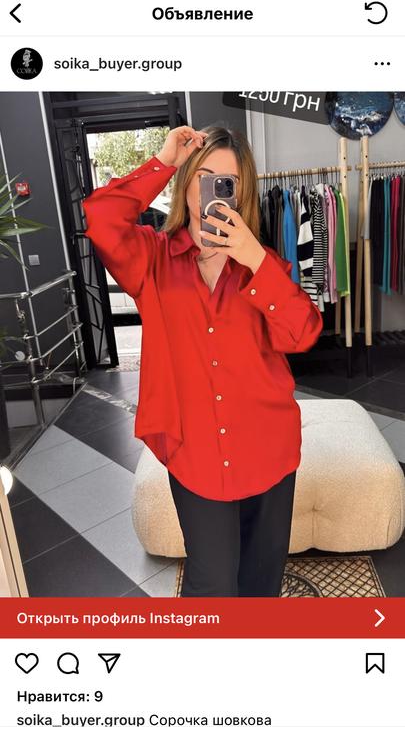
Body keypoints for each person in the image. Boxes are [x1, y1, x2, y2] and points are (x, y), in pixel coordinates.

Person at [82, 124, 324, 597]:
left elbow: (303, 334)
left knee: (261, 584)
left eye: (227, 181)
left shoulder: (263, 264)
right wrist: (163, 161)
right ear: (187, 180)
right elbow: (102, 216)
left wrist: (255, 260)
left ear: (241, 192)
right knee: (211, 584)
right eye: (203, 176)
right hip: (195, 453)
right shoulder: (152, 259)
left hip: (268, 447)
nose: (213, 190)